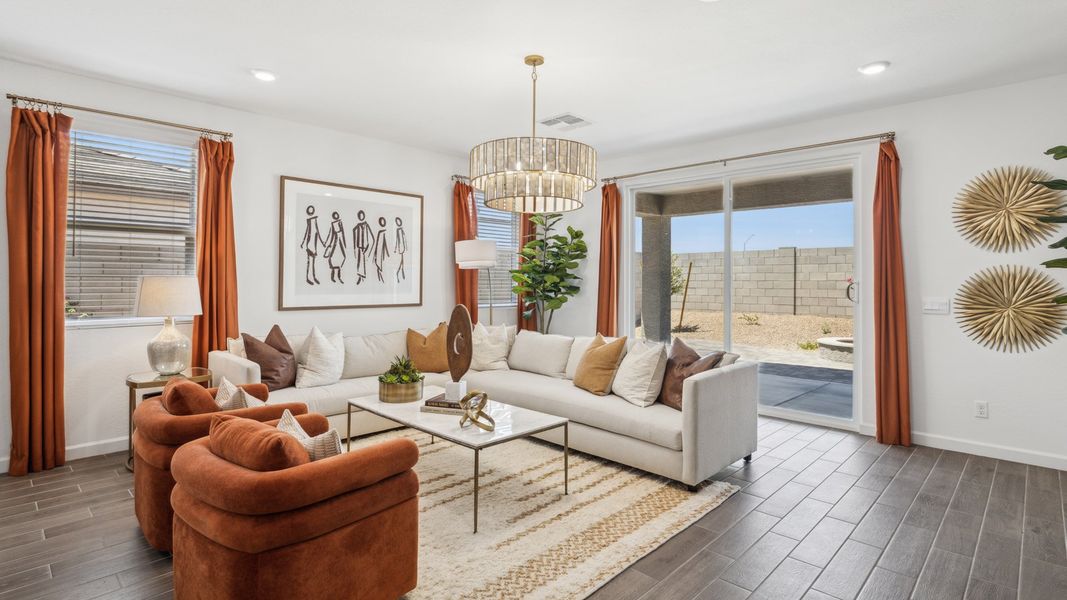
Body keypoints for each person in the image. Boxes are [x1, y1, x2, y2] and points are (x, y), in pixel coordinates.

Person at [299, 205, 322, 285]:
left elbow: (318, 233)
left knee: (313, 263)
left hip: (314, 246)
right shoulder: (309, 221)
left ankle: (313, 277)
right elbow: (306, 232)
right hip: (309, 245)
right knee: (309, 262)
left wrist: (322, 242)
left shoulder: (314, 220)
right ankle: (308, 278)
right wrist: (302, 243)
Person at [323, 211, 346, 283]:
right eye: (335, 215)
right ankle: (333, 277)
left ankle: (339, 277)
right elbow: (331, 234)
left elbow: (343, 233)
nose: (336, 216)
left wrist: (344, 243)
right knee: (332, 258)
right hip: (335, 242)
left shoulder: (340, 222)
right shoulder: (333, 224)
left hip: (340, 242)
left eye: (337, 215)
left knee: (342, 258)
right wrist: (328, 243)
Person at [351, 210, 373, 285]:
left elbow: (372, 237)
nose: (361, 217)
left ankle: (364, 277)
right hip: (359, 247)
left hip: (365, 247)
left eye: (361, 216)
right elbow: (353, 230)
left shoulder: (366, 225)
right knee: (359, 262)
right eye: (359, 216)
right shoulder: (358, 225)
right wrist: (355, 246)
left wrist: (369, 247)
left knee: (364, 262)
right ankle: (360, 276)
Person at [372, 216, 390, 283]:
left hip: (382, 252)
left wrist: (387, 253)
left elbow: (385, 243)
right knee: (378, 263)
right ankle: (379, 276)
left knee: (381, 264)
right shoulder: (380, 232)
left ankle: (381, 277)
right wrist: (375, 253)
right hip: (379, 251)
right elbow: (377, 243)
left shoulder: (384, 232)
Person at [394, 216, 407, 282]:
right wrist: (396, 249)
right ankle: (400, 272)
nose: (398, 223)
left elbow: (404, 239)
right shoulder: (397, 230)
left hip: (402, 248)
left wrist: (406, 247)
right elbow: (397, 240)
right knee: (401, 261)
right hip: (400, 248)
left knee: (402, 261)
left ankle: (401, 271)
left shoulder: (402, 230)